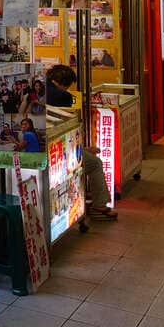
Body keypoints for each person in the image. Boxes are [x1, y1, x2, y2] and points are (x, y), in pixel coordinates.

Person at [47, 64, 117, 219]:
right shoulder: (62, 96)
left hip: (51, 146)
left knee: (87, 157)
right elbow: (68, 128)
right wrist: (81, 148)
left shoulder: (38, 89)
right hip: (58, 151)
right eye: (68, 86)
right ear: (62, 83)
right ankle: (99, 206)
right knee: (95, 163)